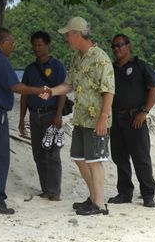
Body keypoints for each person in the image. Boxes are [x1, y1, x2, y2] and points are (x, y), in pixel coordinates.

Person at [40, 16, 114, 215]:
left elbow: (109, 90)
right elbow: (69, 84)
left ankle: (99, 204)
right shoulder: (76, 58)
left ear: (77, 34)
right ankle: (93, 198)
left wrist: (103, 118)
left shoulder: (100, 58)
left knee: (95, 161)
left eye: (67, 35)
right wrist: (51, 92)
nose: (66, 39)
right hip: (80, 118)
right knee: (80, 158)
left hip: (96, 119)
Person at [0, 28, 45, 214]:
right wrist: (38, 90)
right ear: (2, 42)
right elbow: (15, 86)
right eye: (11, 44)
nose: (12, 48)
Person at [108, 33, 155, 208]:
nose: (116, 49)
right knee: (119, 157)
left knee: (141, 158)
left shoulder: (141, 66)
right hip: (115, 119)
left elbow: (153, 88)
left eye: (120, 45)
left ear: (128, 46)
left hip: (135, 118)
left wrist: (144, 112)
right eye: (113, 46)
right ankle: (124, 193)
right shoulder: (110, 68)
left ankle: (148, 194)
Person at [18, 31, 66, 201]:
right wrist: (22, 119)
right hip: (34, 115)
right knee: (38, 153)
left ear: (47, 45)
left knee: (52, 153)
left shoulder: (58, 66)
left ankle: (54, 191)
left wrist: (59, 115)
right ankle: (45, 189)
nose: (37, 48)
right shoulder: (30, 69)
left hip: (51, 114)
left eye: (40, 45)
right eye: (34, 45)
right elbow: (24, 95)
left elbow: (62, 93)